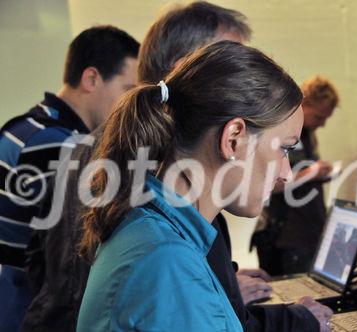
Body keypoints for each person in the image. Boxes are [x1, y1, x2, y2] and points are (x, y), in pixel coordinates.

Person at [24, 2, 327, 331]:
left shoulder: (156, 226)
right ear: (234, 137)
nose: (286, 174)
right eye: (283, 148)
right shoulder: (167, 259)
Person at [0, 26, 139, 331]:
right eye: (128, 91)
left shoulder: (24, 127)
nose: (130, 105)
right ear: (91, 78)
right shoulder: (65, 146)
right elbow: (70, 259)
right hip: (20, 306)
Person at [252, 76, 339, 276]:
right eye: (319, 117)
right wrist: (311, 173)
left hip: (307, 233)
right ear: (303, 104)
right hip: (288, 238)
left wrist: (319, 175)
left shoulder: (307, 134)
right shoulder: (279, 132)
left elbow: (298, 176)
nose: (322, 124)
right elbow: (269, 184)